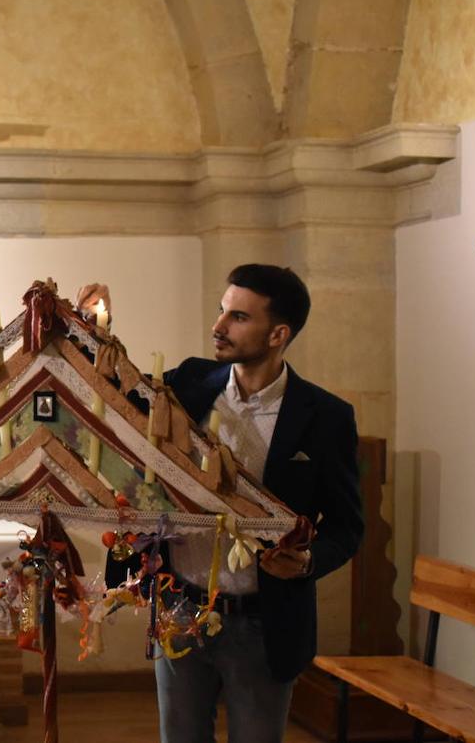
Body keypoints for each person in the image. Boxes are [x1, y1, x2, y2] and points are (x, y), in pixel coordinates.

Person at [96, 265, 363, 743]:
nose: (218, 327)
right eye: (222, 311)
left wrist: (306, 563)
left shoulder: (326, 417)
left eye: (238, 317)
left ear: (278, 333)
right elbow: (114, 399)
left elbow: (347, 527)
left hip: (264, 622)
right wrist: (98, 331)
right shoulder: (188, 383)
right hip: (179, 608)